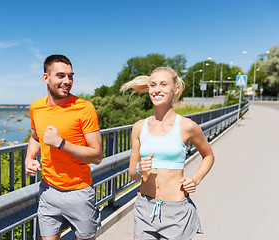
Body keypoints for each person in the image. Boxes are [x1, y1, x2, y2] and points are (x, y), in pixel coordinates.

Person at [120, 67, 215, 240]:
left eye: (164, 85)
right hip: (145, 207)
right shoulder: (139, 127)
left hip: (176, 211)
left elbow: (208, 156)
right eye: (153, 85)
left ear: (175, 89)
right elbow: (133, 174)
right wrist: (140, 167)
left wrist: (195, 179)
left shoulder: (187, 126)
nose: (157, 90)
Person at [25, 54, 102, 240]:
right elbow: (35, 137)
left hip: (79, 192)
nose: (67, 81)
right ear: (46, 78)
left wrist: (61, 144)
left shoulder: (84, 108)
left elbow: (96, 155)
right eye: (61, 76)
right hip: (48, 191)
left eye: (70, 76)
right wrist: (29, 158)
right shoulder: (36, 107)